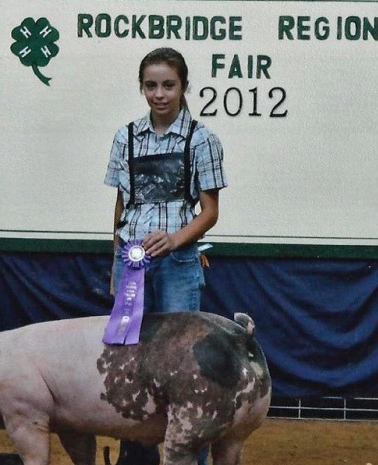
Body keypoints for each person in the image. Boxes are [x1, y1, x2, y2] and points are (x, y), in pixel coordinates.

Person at [103, 47, 227, 465]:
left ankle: (192, 456)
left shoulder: (202, 139)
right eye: (151, 85)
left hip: (178, 265)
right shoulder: (126, 136)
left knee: (183, 365)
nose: (160, 94)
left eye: (168, 85)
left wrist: (175, 240)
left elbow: (209, 212)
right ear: (142, 87)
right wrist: (116, 260)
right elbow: (123, 205)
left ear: (183, 87)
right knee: (128, 358)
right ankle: (135, 455)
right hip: (132, 262)